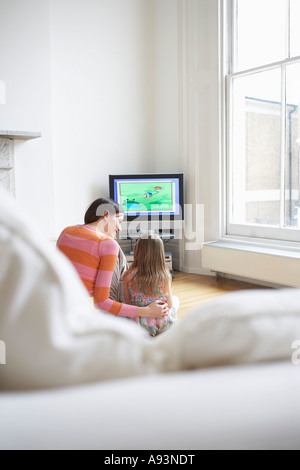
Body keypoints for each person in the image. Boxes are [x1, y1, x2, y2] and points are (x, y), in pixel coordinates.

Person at [56, 198, 169, 320]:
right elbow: (101, 303)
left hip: (60, 305)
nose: (119, 228)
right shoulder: (107, 244)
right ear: (105, 214)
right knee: (115, 247)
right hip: (88, 314)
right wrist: (147, 311)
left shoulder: (66, 232)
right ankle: (142, 295)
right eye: (118, 221)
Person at [123, 234, 178, 337]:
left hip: (139, 324)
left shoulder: (127, 277)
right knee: (175, 301)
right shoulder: (165, 276)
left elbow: (128, 303)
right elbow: (169, 305)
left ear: (137, 251)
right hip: (162, 321)